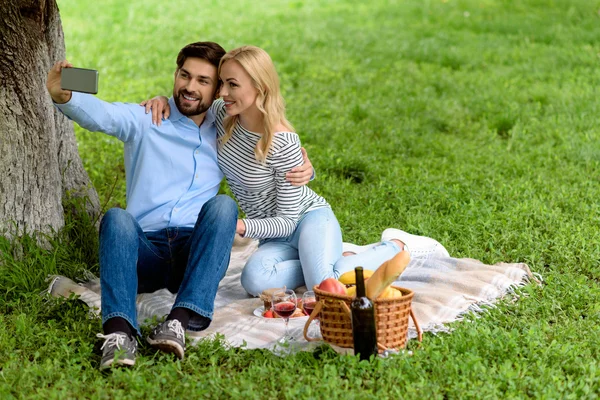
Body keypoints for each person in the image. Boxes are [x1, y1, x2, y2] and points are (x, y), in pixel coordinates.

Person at [45, 42, 314, 369]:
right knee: (115, 217)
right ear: (175, 74)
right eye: (184, 75)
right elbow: (104, 114)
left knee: (223, 207)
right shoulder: (147, 117)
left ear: (218, 90)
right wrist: (66, 96)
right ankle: (118, 334)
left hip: (192, 254)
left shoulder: (225, 128)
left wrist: (303, 162)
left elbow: (269, 126)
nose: (189, 86)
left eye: (203, 81)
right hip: (144, 254)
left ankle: (179, 321)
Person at [143, 46, 344, 297]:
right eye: (222, 83)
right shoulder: (222, 114)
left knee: (322, 286)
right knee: (254, 282)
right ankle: (316, 257)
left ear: (259, 87)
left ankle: (393, 246)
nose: (223, 93)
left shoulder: (283, 141)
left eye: (233, 85)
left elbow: (289, 222)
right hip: (274, 239)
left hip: (306, 220)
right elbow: (189, 105)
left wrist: (238, 226)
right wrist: (163, 100)